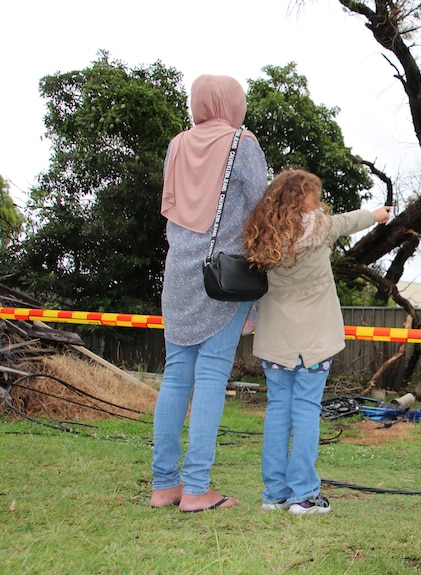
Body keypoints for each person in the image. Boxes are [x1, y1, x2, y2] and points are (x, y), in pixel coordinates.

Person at [150, 75, 268, 512]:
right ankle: (197, 488)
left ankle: (165, 485)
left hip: (179, 274)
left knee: (176, 376)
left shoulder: (177, 144)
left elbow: (171, 204)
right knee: (213, 376)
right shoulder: (243, 143)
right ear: (232, 104)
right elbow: (263, 203)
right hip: (223, 277)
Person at [244, 169, 391, 515]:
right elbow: (351, 220)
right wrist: (378, 214)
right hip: (315, 339)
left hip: (275, 338)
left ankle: (275, 494)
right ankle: (304, 496)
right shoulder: (323, 229)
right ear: (307, 197)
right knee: (307, 409)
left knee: (278, 409)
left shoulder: (262, 234)